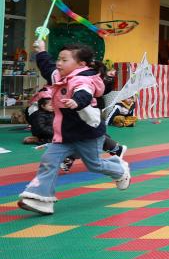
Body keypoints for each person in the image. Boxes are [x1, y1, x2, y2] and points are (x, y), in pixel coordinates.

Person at [18, 41, 132, 215]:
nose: (59, 63)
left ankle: (120, 169)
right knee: (49, 161)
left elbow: (84, 93)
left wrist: (76, 101)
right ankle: (40, 199)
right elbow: (48, 68)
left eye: (64, 60)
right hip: (64, 135)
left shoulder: (84, 79)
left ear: (81, 64)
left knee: (94, 165)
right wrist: (41, 51)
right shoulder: (60, 76)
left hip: (87, 134)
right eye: (59, 59)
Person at [59, 61, 127, 173]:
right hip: (78, 108)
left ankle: (70, 158)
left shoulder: (96, 76)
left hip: (91, 109)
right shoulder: (76, 74)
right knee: (84, 135)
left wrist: (109, 78)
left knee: (91, 135)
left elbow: (104, 89)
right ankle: (115, 148)